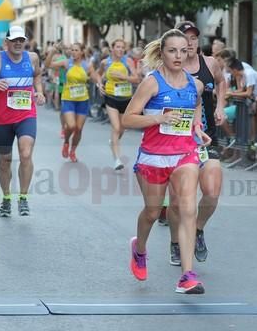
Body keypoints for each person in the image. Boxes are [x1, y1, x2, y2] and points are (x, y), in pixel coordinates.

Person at [122, 29, 211, 294]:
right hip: (153, 157)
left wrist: (197, 129)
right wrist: (157, 119)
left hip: (185, 155)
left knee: (187, 210)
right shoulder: (152, 82)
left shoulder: (195, 85)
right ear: (162, 52)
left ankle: (187, 275)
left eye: (184, 51)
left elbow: (194, 113)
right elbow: (128, 119)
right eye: (173, 50)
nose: (179, 56)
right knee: (152, 212)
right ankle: (139, 250)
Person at [164, 20, 227, 266]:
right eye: (184, 38)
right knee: (178, 201)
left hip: (205, 138)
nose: (189, 43)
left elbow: (221, 82)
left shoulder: (209, 64)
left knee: (211, 192)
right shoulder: (165, 69)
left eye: (193, 38)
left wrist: (220, 105)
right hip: (174, 143)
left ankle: (197, 230)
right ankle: (175, 242)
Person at [0, 26, 45, 217]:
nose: (17, 43)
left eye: (21, 40)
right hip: (3, 119)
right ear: (7, 42)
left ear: (25, 41)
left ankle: (23, 197)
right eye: (14, 40)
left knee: (25, 153)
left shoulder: (32, 58)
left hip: (26, 115)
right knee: (4, 161)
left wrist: (38, 91)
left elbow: (37, 74)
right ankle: (6, 197)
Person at [96, 39, 139, 170]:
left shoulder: (128, 62)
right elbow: (98, 75)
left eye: (122, 48)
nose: (120, 50)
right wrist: (99, 84)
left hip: (125, 99)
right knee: (115, 127)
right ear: (112, 49)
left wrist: (123, 77)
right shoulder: (106, 62)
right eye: (118, 47)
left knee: (121, 128)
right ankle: (117, 159)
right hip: (111, 97)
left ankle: (113, 142)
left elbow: (136, 79)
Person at [49, 42, 94, 163]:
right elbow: (49, 65)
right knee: (71, 126)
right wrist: (52, 51)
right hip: (68, 98)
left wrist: (99, 83)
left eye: (76, 50)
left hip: (82, 100)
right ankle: (66, 142)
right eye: (72, 50)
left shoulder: (87, 65)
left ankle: (73, 151)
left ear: (82, 52)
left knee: (79, 129)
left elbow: (95, 75)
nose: (73, 52)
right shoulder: (66, 62)